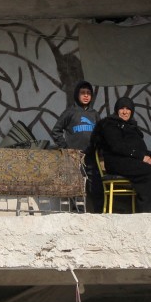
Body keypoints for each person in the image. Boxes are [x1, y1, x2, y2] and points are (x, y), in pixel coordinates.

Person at [95, 97, 151, 213]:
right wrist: (143, 157)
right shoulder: (110, 125)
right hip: (117, 162)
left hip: (130, 161)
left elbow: (140, 148)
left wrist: (150, 157)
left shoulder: (132, 127)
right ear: (117, 110)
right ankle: (148, 212)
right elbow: (117, 147)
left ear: (132, 111)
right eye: (122, 108)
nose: (125, 112)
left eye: (128, 109)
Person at [51, 80, 102, 211]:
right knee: (75, 185)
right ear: (77, 95)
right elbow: (56, 130)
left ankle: (94, 211)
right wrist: (66, 147)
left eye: (89, 93)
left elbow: (101, 134)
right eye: (83, 93)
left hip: (90, 156)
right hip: (74, 157)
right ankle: (75, 211)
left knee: (94, 185)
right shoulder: (70, 112)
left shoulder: (95, 114)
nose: (86, 96)